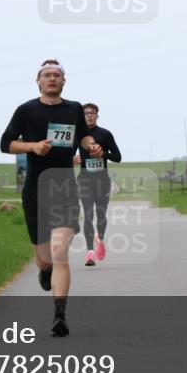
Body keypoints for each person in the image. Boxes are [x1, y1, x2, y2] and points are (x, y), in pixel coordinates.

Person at [0, 59, 102, 337]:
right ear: (39, 81)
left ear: (64, 81)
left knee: (60, 253)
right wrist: (32, 146)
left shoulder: (74, 109)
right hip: (35, 190)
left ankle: (59, 315)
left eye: (58, 75)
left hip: (65, 187)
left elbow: (82, 137)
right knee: (45, 259)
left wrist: (91, 145)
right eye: (48, 75)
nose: (53, 79)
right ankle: (44, 270)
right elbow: (5, 143)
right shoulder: (26, 110)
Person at [73, 103, 122, 267]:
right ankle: (89, 252)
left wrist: (103, 153)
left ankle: (100, 239)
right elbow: (67, 154)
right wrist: (72, 160)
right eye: (86, 113)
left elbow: (118, 157)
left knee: (101, 214)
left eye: (92, 113)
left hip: (102, 180)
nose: (89, 116)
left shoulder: (105, 134)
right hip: (85, 179)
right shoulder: (77, 135)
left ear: (97, 116)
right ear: (82, 116)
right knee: (88, 214)